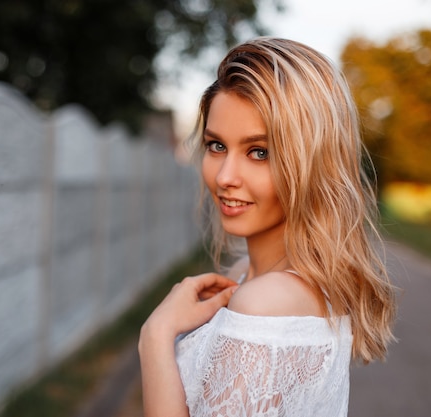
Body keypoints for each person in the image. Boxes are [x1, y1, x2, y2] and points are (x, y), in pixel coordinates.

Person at [138, 37, 396, 417]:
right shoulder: (259, 279)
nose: (225, 176)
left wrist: (155, 337)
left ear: (312, 163)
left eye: (259, 152)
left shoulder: (265, 305)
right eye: (216, 146)